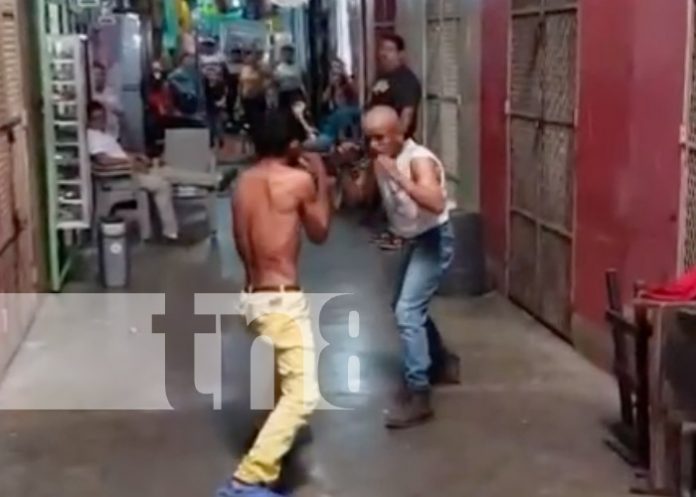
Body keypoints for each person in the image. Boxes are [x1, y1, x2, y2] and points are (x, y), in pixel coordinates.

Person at [215, 110, 333, 497]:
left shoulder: (243, 183)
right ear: (293, 146)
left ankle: (266, 439)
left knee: (282, 380)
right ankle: (249, 477)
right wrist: (322, 178)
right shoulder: (297, 181)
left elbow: (239, 237)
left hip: (251, 298)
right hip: (282, 300)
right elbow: (320, 232)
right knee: (303, 396)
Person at [341, 106, 460, 429]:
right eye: (369, 138)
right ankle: (443, 361)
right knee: (404, 307)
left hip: (434, 237)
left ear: (399, 135)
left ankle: (419, 391)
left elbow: (435, 203)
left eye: (381, 138)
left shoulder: (417, 159)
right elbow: (358, 198)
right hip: (411, 238)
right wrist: (347, 166)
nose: (375, 144)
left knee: (408, 310)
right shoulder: (377, 160)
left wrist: (396, 174)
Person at [87, 101, 185, 244]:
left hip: (131, 170)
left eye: (102, 117)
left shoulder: (103, 135)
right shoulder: (92, 137)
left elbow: (118, 154)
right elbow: (103, 160)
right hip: (124, 176)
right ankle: (170, 233)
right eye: (96, 118)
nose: (101, 121)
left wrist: (136, 156)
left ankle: (214, 179)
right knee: (162, 184)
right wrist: (130, 162)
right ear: (89, 120)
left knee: (168, 172)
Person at [368, 34, 422, 138]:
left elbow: (407, 115)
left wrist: (395, 140)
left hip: (392, 143)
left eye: (389, 50)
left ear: (400, 55)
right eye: (382, 49)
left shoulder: (406, 80)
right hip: (376, 139)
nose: (384, 54)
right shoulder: (382, 77)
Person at [92, 62, 123, 139]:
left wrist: (107, 103)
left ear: (104, 76)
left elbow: (121, 111)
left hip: (113, 135)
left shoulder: (110, 92)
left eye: (100, 74)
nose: (97, 78)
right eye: (95, 75)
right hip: (97, 138)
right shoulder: (89, 94)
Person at [273, 44, 305, 111]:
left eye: (290, 53)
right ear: (282, 55)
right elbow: (276, 85)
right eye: (285, 54)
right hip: (284, 94)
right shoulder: (279, 68)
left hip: (296, 93)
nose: (287, 56)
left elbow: (302, 81)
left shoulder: (298, 67)